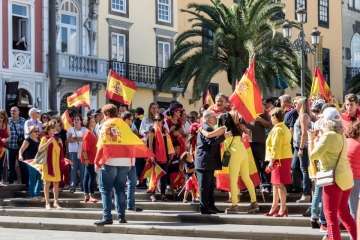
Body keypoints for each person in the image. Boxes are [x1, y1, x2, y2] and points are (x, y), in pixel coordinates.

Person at [309, 107, 356, 240]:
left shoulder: (328, 136)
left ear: (326, 121)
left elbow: (313, 156)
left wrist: (311, 139)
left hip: (333, 180)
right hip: (346, 178)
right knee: (344, 214)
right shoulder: (340, 134)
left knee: (331, 217)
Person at [216, 107, 259, 214]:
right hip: (242, 150)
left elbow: (219, 138)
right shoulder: (238, 128)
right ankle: (254, 202)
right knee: (246, 178)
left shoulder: (226, 130)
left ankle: (234, 205)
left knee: (233, 180)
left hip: (234, 153)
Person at [94, 104, 131, 225]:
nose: (103, 117)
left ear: (107, 114)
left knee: (105, 190)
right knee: (120, 189)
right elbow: (130, 142)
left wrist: (97, 161)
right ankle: (121, 216)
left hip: (110, 161)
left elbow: (101, 145)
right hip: (124, 161)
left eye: (104, 115)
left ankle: (107, 217)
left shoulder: (106, 125)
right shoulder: (124, 125)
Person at [195, 110, 227, 215]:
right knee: (204, 186)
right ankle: (204, 208)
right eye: (214, 117)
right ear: (208, 118)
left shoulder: (207, 127)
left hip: (207, 161)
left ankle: (210, 206)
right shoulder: (206, 127)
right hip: (205, 161)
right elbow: (211, 143)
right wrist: (224, 137)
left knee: (209, 186)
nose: (216, 119)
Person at [265, 107, 292, 218]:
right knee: (275, 184)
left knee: (279, 183)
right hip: (281, 157)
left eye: (271, 116)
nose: (270, 118)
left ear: (275, 117)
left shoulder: (278, 129)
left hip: (279, 158)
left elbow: (276, 147)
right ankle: (275, 206)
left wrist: (272, 161)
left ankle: (283, 207)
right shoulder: (282, 127)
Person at [147, 113, 174, 202]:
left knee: (164, 177)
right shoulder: (152, 130)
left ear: (163, 121)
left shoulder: (165, 130)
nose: (157, 122)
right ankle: (152, 194)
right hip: (155, 156)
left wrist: (170, 154)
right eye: (155, 120)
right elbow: (150, 144)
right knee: (154, 176)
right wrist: (151, 155)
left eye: (158, 120)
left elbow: (169, 143)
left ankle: (163, 194)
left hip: (165, 157)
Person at [39, 120, 63, 209]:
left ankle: (56, 202)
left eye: (54, 129)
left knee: (56, 183)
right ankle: (47, 203)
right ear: (48, 130)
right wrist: (48, 142)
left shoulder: (57, 139)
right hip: (46, 164)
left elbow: (60, 151)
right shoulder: (44, 138)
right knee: (46, 183)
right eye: (51, 129)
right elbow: (40, 149)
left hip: (55, 164)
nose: (53, 130)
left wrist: (60, 143)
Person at [121, 111, 142, 212]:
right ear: (125, 120)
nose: (131, 121)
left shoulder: (131, 130)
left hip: (132, 160)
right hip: (123, 161)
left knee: (132, 183)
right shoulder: (121, 131)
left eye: (132, 119)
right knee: (121, 184)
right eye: (130, 119)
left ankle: (130, 205)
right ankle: (120, 205)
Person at [292, 98, 312, 203]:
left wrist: (301, 148)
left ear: (300, 105)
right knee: (296, 167)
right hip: (298, 146)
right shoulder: (301, 115)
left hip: (302, 146)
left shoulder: (303, 116)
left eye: (296, 104)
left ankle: (306, 194)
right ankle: (304, 190)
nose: (294, 105)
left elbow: (304, 133)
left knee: (304, 170)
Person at [247, 111, 272, 193]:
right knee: (253, 166)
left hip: (260, 142)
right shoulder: (244, 110)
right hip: (248, 143)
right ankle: (254, 185)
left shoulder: (262, 112)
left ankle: (266, 186)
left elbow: (269, 125)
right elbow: (240, 124)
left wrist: (259, 119)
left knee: (264, 164)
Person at [18, 126, 41, 198]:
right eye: (35, 131)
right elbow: (21, 149)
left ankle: (37, 194)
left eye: (38, 131)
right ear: (31, 132)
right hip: (30, 161)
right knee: (32, 178)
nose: (37, 133)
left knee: (40, 178)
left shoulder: (38, 139)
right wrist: (20, 156)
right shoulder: (28, 140)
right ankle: (31, 194)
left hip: (38, 161)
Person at [80, 113, 98, 203]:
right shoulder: (88, 133)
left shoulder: (92, 132)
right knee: (91, 176)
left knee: (87, 176)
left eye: (94, 121)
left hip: (92, 158)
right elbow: (84, 149)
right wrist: (86, 159)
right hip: (89, 159)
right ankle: (90, 195)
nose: (94, 123)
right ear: (88, 123)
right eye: (92, 122)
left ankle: (86, 195)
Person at [67, 114, 87, 193]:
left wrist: (75, 138)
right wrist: (78, 139)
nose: (76, 121)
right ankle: (72, 186)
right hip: (73, 152)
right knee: (73, 169)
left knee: (83, 169)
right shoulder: (70, 129)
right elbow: (69, 140)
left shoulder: (84, 129)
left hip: (82, 151)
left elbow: (85, 139)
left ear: (81, 121)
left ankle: (83, 185)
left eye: (78, 119)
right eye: (75, 119)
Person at [8, 106, 26, 184]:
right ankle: (11, 182)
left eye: (14, 111)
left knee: (22, 165)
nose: (13, 112)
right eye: (11, 111)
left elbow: (26, 133)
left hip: (20, 147)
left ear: (18, 112)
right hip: (10, 146)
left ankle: (24, 182)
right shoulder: (8, 121)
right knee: (10, 165)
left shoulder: (23, 120)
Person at [346, 121, 360, 219]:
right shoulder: (358, 146)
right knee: (354, 209)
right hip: (355, 179)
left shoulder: (347, 141)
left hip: (345, 177)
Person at [0, 110, 9, 184]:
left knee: (3, 164)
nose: (0, 118)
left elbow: (9, 136)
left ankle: (3, 180)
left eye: (2, 117)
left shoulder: (6, 125)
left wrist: (6, 139)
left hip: (3, 147)